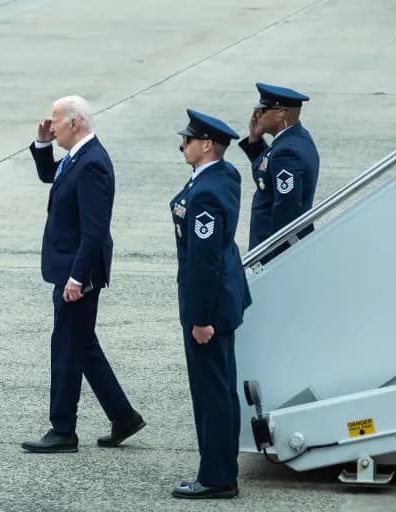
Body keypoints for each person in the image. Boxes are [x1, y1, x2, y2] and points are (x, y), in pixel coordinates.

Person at [21, 95, 145, 454]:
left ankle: (63, 430)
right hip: (72, 267)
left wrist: (77, 278)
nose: (52, 126)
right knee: (82, 344)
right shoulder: (78, 157)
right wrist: (43, 144)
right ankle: (123, 416)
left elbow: (94, 229)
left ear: (75, 123)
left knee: (65, 347)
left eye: (56, 122)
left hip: (80, 273)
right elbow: (50, 175)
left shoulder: (92, 164)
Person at [170, 109, 251, 498]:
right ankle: (219, 469)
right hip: (221, 301)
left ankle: (217, 477)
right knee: (220, 389)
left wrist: (200, 318)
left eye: (187, 140)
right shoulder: (222, 177)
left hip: (209, 309)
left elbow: (205, 261)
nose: (181, 145)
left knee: (213, 393)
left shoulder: (206, 192)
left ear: (206, 145)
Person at [239, 82, 320, 262]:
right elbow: (269, 176)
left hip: (276, 252)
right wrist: (255, 141)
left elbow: (287, 210)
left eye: (263, 111)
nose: (257, 115)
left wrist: (274, 260)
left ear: (281, 113)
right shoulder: (296, 138)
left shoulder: (286, 153)